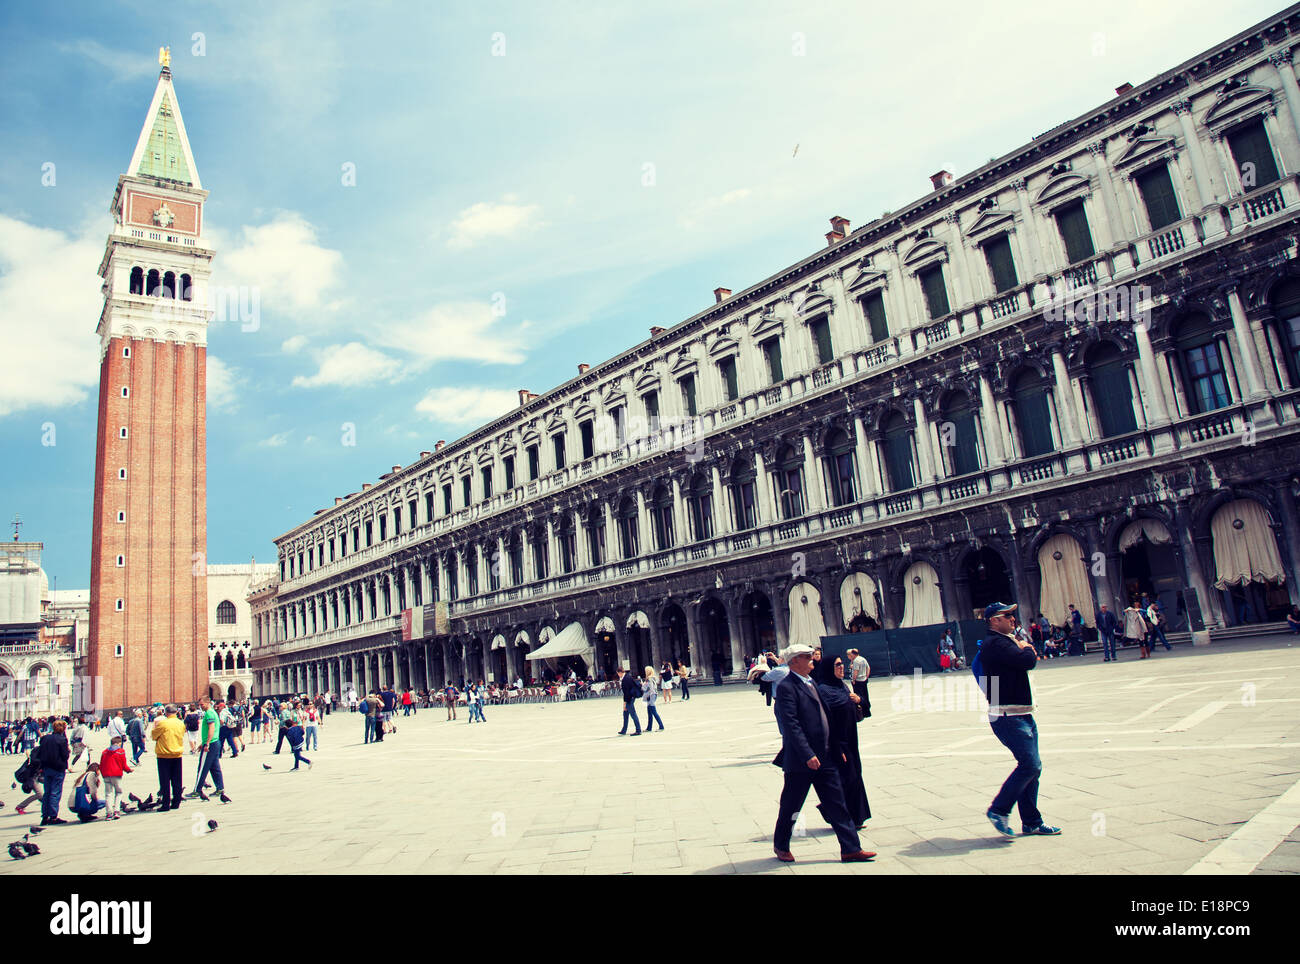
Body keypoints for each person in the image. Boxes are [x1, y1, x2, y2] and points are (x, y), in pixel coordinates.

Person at [770, 644, 875, 863]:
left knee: (837, 802)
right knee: (791, 805)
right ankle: (781, 844)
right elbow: (791, 725)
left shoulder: (811, 682)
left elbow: (825, 717)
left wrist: (836, 748)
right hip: (802, 760)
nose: (812, 659)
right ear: (794, 662)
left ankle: (850, 848)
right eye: (806, 657)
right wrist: (807, 754)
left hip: (825, 756)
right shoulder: (786, 687)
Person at [979, 602, 1059, 838]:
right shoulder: (995, 644)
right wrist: (1027, 648)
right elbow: (1027, 661)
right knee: (1030, 765)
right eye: (1008, 616)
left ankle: (1032, 821)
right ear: (994, 620)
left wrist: (1024, 647)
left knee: (1033, 767)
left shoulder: (1004, 641)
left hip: (1020, 712)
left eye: (1013, 615)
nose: (1013, 619)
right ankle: (999, 810)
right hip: (1008, 715)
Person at [812, 654, 871, 829]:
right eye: (837, 665)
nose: (841, 667)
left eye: (842, 664)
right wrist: (837, 748)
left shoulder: (842, 687)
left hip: (851, 739)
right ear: (829, 668)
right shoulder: (823, 690)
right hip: (837, 743)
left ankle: (855, 817)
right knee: (847, 779)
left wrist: (858, 700)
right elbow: (826, 721)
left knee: (854, 776)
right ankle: (838, 814)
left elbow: (861, 710)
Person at [33, 719, 70, 826]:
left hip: (46, 768)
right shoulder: (62, 740)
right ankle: (53, 816)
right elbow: (65, 756)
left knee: (47, 792)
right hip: (58, 768)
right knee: (55, 792)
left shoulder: (45, 738)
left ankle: (45, 816)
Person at [150, 704, 185, 811]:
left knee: (165, 781)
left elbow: (154, 736)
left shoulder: (163, 724)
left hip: (164, 755)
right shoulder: (180, 723)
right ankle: (176, 802)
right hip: (177, 754)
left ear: (166, 712)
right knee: (177, 780)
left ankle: (165, 804)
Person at [191, 696, 227, 801]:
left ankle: (197, 790)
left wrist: (206, 743)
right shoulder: (212, 712)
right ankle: (220, 788)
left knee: (202, 767)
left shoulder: (209, 713)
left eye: (202, 704)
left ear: (208, 703)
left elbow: (211, 728)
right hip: (215, 742)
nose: (200, 707)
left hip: (211, 743)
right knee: (214, 767)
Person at [99, 735, 132, 819]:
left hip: (106, 775)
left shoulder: (104, 752)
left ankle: (109, 813)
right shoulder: (120, 751)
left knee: (108, 794)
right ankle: (117, 811)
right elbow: (123, 764)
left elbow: (101, 765)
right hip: (116, 775)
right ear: (118, 743)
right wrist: (128, 770)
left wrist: (103, 774)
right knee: (118, 792)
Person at [616, 666, 642, 736]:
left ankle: (638, 730)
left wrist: (624, 703)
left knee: (633, 714)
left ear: (620, 672)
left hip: (629, 698)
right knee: (625, 713)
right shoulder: (628, 676)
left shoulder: (625, 679)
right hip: (631, 697)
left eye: (618, 673)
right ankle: (624, 729)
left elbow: (626, 693)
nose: (618, 675)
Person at [642, 666, 665, 732]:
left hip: (650, 695)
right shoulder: (653, 678)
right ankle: (649, 727)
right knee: (649, 712)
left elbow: (648, 688)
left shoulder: (649, 679)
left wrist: (643, 685)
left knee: (654, 711)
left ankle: (661, 726)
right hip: (653, 694)